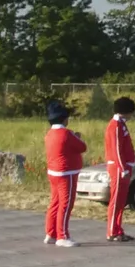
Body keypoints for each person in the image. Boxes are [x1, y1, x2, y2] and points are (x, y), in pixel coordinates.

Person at [43, 101, 87, 247]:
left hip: (53, 172)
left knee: (55, 203)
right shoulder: (66, 134)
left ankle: (51, 233)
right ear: (63, 119)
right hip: (66, 172)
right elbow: (82, 147)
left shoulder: (49, 134)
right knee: (66, 204)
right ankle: (62, 235)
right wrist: (77, 137)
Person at [104, 96, 135, 243]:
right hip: (118, 168)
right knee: (116, 200)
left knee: (121, 201)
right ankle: (112, 231)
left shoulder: (121, 124)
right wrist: (122, 167)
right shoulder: (116, 126)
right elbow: (116, 149)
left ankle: (117, 229)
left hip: (124, 167)